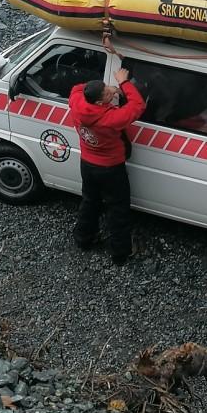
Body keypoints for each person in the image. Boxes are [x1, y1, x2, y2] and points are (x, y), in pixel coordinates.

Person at [69, 68, 147, 266]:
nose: (111, 93)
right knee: (118, 209)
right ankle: (120, 253)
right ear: (99, 102)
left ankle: (84, 239)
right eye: (106, 93)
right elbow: (138, 106)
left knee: (89, 201)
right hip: (111, 169)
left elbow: (77, 88)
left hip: (87, 164)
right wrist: (123, 83)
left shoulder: (77, 103)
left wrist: (109, 90)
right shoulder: (111, 119)